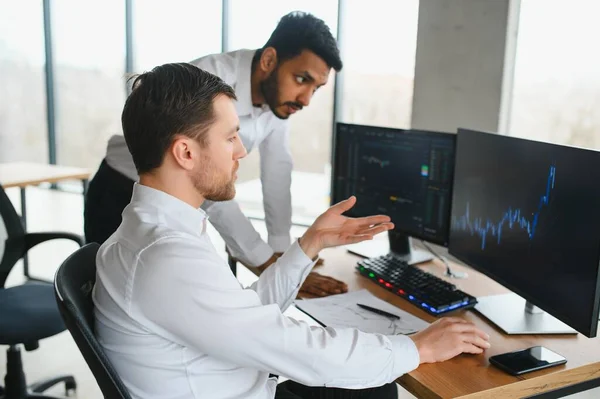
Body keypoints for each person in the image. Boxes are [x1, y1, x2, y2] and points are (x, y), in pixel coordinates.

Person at [92, 62, 491, 399]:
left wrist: (309, 244)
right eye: (230, 137)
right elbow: (294, 347)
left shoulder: (148, 232)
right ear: (185, 152)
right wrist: (416, 347)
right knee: (376, 381)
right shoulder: (167, 258)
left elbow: (243, 317)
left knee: (370, 381)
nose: (241, 151)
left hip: (236, 381)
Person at [84, 11, 347, 297]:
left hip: (179, 204)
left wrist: (284, 252)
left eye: (316, 88)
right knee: (111, 300)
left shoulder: (279, 101)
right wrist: (265, 262)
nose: (306, 99)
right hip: (121, 191)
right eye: (301, 79)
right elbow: (208, 185)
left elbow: (277, 174)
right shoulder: (210, 82)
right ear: (269, 60)